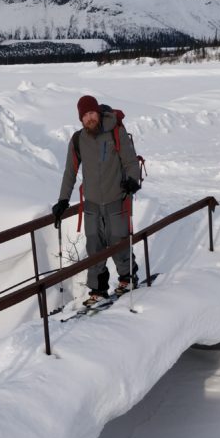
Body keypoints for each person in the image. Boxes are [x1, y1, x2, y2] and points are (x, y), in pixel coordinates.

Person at [51, 95, 142, 306]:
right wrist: (63, 200)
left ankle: (127, 278)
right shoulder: (77, 140)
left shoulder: (115, 132)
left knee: (118, 240)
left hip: (116, 198)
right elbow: (70, 172)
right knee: (94, 247)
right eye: (85, 115)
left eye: (92, 113)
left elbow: (130, 161)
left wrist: (132, 180)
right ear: (80, 119)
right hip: (92, 203)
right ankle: (98, 290)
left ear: (98, 113)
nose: (90, 118)